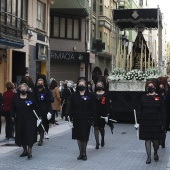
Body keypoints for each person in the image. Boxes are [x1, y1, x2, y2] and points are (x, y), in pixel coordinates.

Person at [137, 81, 166, 164]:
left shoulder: (159, 98)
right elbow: (140, 109)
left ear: (155, 87)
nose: (150, 87)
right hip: (145, 122)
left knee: (156, 141)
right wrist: (138, 121)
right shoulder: (143, 97)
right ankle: (148, 157)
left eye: (152, 86)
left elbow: (163, 111)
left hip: (156, 122)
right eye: (149, 86)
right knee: (147, 140)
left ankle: (155, 152)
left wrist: (163, 122)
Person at [69, 77, 96, 161]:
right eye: (80, 84)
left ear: (86, 86)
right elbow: (71, 107)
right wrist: (69, 118)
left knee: (84, 136)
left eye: (83, 84)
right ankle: (80, 153)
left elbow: (93, 107)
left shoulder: (90, 95)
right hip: (76, 118)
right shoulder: (74, 95)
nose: (81, 85)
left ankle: (84, 153)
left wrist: (93, 118)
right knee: (78, 136)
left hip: (86, 118)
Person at [10, 83, 40, 159]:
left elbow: (36, 107)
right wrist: (12, 115)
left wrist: (38, 116)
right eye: (22, 88)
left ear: (27, 89)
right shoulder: (15, 97)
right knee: (21, 134)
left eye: (25, 88)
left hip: (30, 119)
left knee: (30, 134)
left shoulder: (31, 96)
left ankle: (30, 150)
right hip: (20, 119)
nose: (23, 89)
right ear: (19, 89)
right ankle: (24, 150)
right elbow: (12, 107)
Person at [34, 78, 52, 145]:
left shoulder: (47, 91)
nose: (40, 85)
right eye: (39, 83)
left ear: (43, 84)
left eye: (41, 83)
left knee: (43, 124)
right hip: (36, 110)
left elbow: (51, 100)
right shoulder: (34, 91)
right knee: (36, 125)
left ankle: (41, 138)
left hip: (44, 110)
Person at [94, 81, 111, 149]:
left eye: (100, 85)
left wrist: (107, 114)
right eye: (97, 85)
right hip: (95, 113)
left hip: (103, 113)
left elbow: (107, 105)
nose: (99, 86)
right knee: (96, 127)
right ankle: (97, 143)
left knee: (101, 128)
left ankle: (102, 139)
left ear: (103, 86)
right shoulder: (94, 94)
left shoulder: (106, 94)